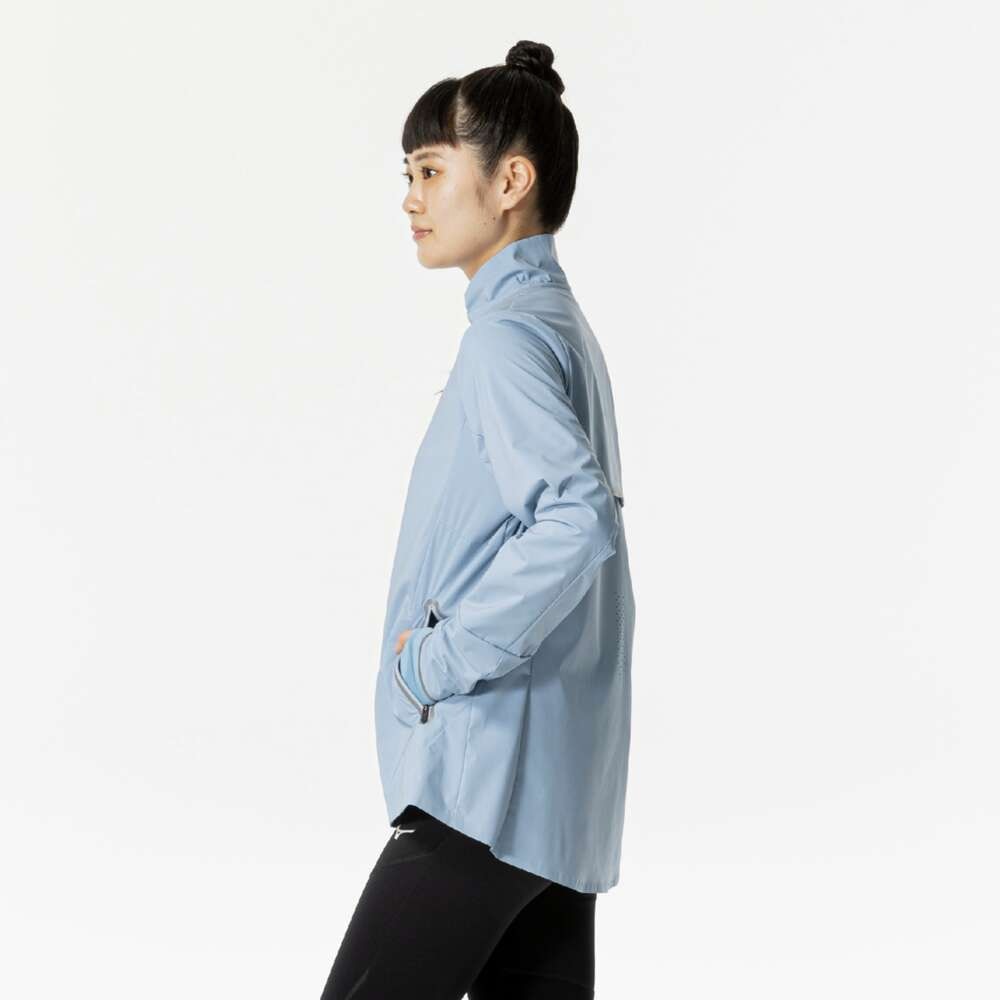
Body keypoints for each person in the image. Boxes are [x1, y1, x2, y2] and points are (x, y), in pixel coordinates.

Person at [320, 39, 635, 1000]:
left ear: (510, 181)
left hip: (486, 782)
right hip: (557, 802)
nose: (410, 198)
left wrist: (432, 663)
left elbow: (577, 522)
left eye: (429, 171)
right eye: (407, 175)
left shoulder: (507, 340)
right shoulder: (559, 328)